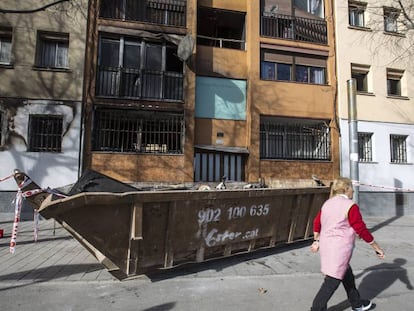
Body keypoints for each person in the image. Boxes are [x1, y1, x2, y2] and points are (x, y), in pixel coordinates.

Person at [310, 177, 385, 311]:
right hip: (339, 249)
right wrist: (377, 248)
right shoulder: (350, 206)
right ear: (346, 189)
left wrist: (316, 241)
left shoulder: (327, 203)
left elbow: (317, 223)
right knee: (332, 280)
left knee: (346, 274)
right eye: (352, 188)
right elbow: (361, 229)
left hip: (327, 246)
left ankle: (356, 303)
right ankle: (316, 308)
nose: (353, 192)